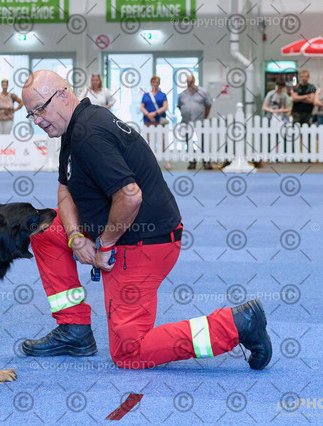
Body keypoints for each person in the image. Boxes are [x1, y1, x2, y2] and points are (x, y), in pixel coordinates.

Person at [19, 70, 272, 372]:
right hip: (121, 229)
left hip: (143, 243)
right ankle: (74, 328)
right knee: (43, 228)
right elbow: (65, 188)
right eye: (31, 114)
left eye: (40, 109)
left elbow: (130, 197)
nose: (37, 120)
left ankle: (236, 325)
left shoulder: (89, 135)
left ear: (62, 94)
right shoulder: (75, 127)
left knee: (129, 353)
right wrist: (74, 237)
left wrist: (103, 245)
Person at [178, 74, 212, 170]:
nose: (189, 83)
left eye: (191, 81)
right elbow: (179, 106)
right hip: (186, 121)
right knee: (189, 142)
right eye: (188, 82)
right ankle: (192, 162)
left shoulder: (203, 92)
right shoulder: (182, 94)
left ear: (194, 81)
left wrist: (205, 117)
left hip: (199, 121)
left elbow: (208, 105)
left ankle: (206, 161)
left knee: (202, 141)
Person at [140, 76, 170, 170]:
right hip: (148, 121)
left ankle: (167, 161)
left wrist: (155, 113)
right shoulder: (146, 95)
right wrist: (148, 114)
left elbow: (165, 107)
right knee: (149, 142)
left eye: (157, 82)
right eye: (154, 82)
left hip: (159, 121)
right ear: (151, 83)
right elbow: (142, 107)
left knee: (163, 141)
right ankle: (149, 162)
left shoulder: (162, 95)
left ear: (159, 83)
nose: (155, 84)